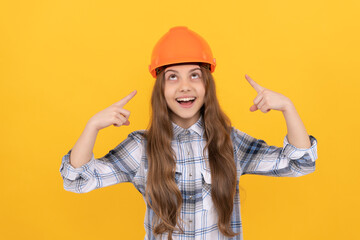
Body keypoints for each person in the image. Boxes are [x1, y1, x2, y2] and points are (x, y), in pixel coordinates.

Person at [59, 26, 318, 240]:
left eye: (194, 75)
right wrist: (91, 126)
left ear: (207, 85)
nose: (185, 87)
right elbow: (76, 180)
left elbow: (301, 162)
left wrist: (288, 108)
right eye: (173, 77)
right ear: (160, 88)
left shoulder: (229, 142)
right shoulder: (141, 148)